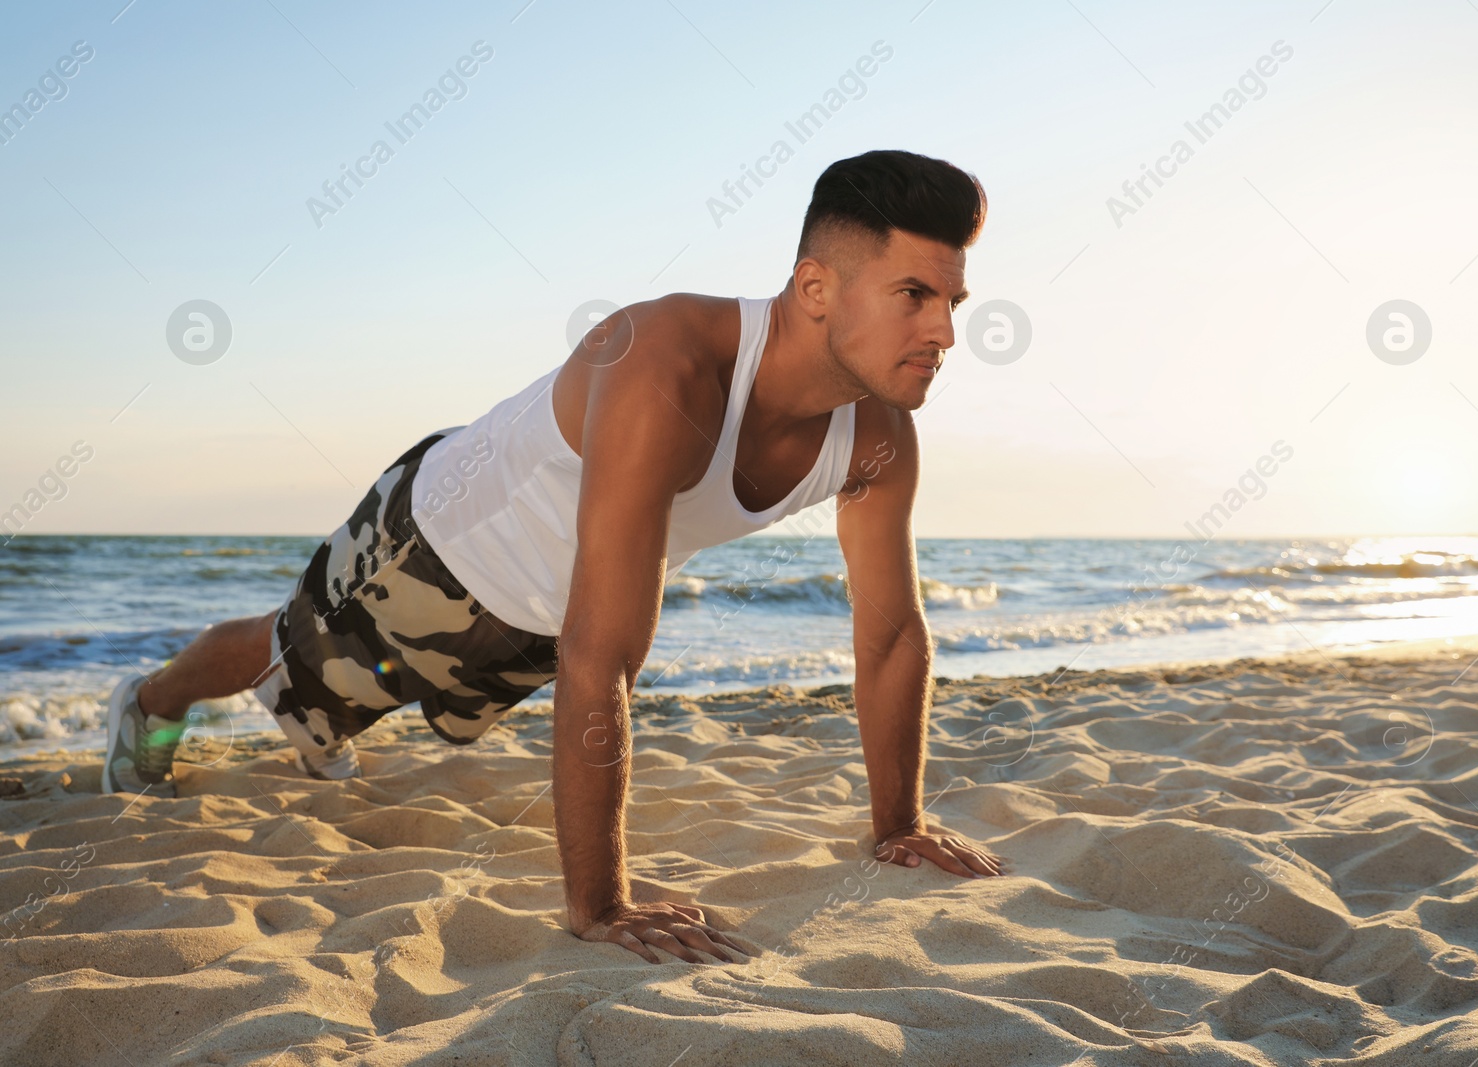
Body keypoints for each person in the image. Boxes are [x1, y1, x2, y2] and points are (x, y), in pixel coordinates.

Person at [101, 148, 1005, 963]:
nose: (944, 334)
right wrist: (601, 906)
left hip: (546, 619)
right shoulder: (668, 364)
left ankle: (322, 724)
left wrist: (901, 827)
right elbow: (605, 651)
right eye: (914, 297)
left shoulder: (879, 436)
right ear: (816, 288)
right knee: (292, 655)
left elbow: (889, 637)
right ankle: (151, 705)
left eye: (952, 302)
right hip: (435, 547)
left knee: (394, 710)